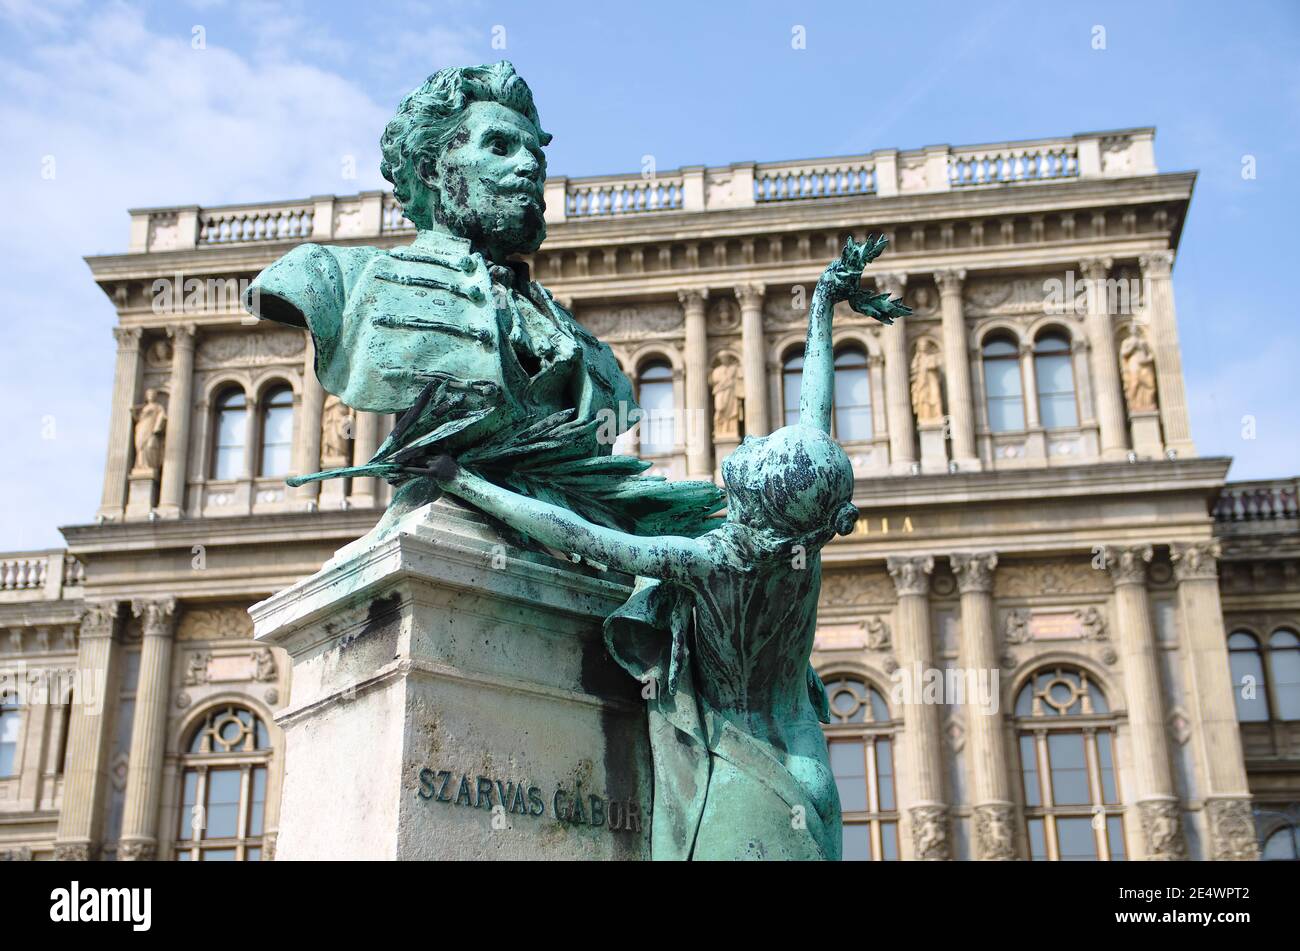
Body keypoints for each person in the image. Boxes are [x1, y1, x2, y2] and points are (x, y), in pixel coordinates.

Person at [430, 236, 909, 859]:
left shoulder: (711, 563)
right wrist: (822, 303)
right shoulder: (800, 544)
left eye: (755, 452)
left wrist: (464, 482)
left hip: (745, 774)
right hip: (807, 766)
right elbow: (815, 414)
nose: (755, 436)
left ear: (756, 496)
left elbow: (578, 536)